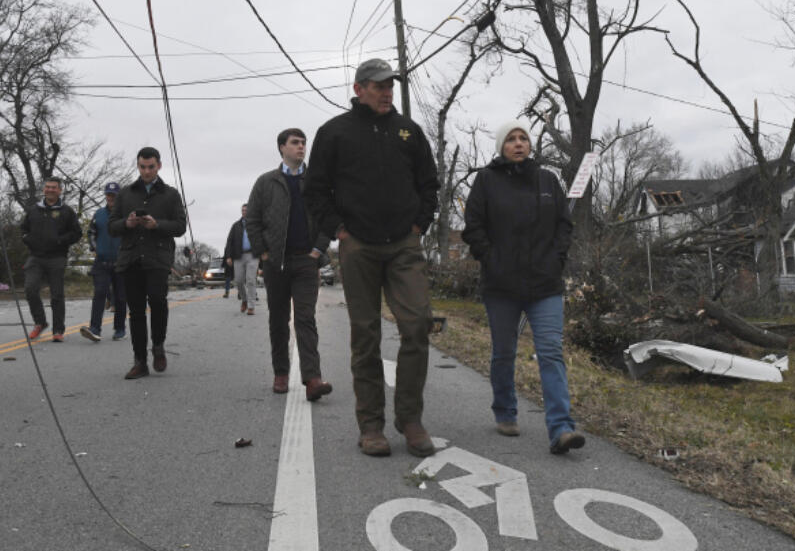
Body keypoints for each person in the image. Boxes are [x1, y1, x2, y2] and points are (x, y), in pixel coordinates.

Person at [306, 59, 439, 457]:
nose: (386, 93)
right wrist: (339, 230)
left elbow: (428, 182)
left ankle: (410, 420)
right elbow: (315, 190)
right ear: (359, 88)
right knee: (365, 335)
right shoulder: (334, 133)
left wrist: (419, 225)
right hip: (358, 245)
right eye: (379, 86)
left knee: (417, 325)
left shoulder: (408, 131)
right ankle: (371, 425)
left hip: (403, 244)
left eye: (390, 86)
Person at [461, 119, 586, 455]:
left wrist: (557, 259)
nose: (518, 144)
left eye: (523, 139)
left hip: (545, 284)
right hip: (501, 286)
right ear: (502, 146)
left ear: (530, 146)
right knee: (504, 353)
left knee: (550, 353)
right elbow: (473, 227)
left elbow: (564, 224)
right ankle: (505, 411)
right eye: (511, 139)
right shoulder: (486, 180)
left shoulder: (547, 180)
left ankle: (561, 428)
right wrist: (491, 260)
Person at [246, 128, 333, 400]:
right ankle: (281, 373)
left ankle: (312, 379)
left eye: (303, 143)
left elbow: (328, 216)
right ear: (282, 147)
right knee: (278, 320)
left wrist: (318, 250)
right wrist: (263, 253)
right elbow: (253, 220)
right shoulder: (265, 182)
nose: (301, 147)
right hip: (276, 263)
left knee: (306, 318)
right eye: (295, 143)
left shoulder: (315, 182)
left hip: (307, 261)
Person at [109, 146, 187, 379]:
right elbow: (112, 227)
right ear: (138, 166)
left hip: (158, 258)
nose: (146, 171)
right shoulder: (125, 194)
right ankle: (140, 361)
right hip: (131, 258)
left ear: (159, 166)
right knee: (136, 311)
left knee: (157, 301)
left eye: (151, 167)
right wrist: (128, 224)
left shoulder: (171, 194)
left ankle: (158, 346)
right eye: (142, 167)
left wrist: (157, 225)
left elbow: (180, 226)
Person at [22, 177, 82, 342]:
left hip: (57, 257)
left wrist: (60, 240)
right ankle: (40, 322)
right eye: (47, 187)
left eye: (54, 188)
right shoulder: (34, 210)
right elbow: (23, 229)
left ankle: (58, 330)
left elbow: (77, 233)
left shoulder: (66, 211)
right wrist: (28, 239)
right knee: (30, 289)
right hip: (36, 257)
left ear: (60, 190)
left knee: (56, 295)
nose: (50, 190)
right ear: (44, 189)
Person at [81, 181, 126, 342]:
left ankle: (119, 328)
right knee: (99, 293)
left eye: (114, 195)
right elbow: (91, 233)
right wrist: (95, 248)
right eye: (108, 194)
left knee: (120, 297)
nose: (111, 197)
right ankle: (94, 328)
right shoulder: (98, 214)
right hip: (102, 261)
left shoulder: (127, 215)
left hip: (121, 261)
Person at [224, 203, 259, 314]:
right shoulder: (236, 226)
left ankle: (251, 306)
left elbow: (262, 238)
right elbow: (229, 241)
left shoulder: (256, 224)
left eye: (246, 210)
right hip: (238, 256)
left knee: (250, 280)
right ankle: (244, 300)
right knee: (238, 281)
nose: (244, 212)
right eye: (243, 210)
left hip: (253, 256)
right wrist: (228, 256)